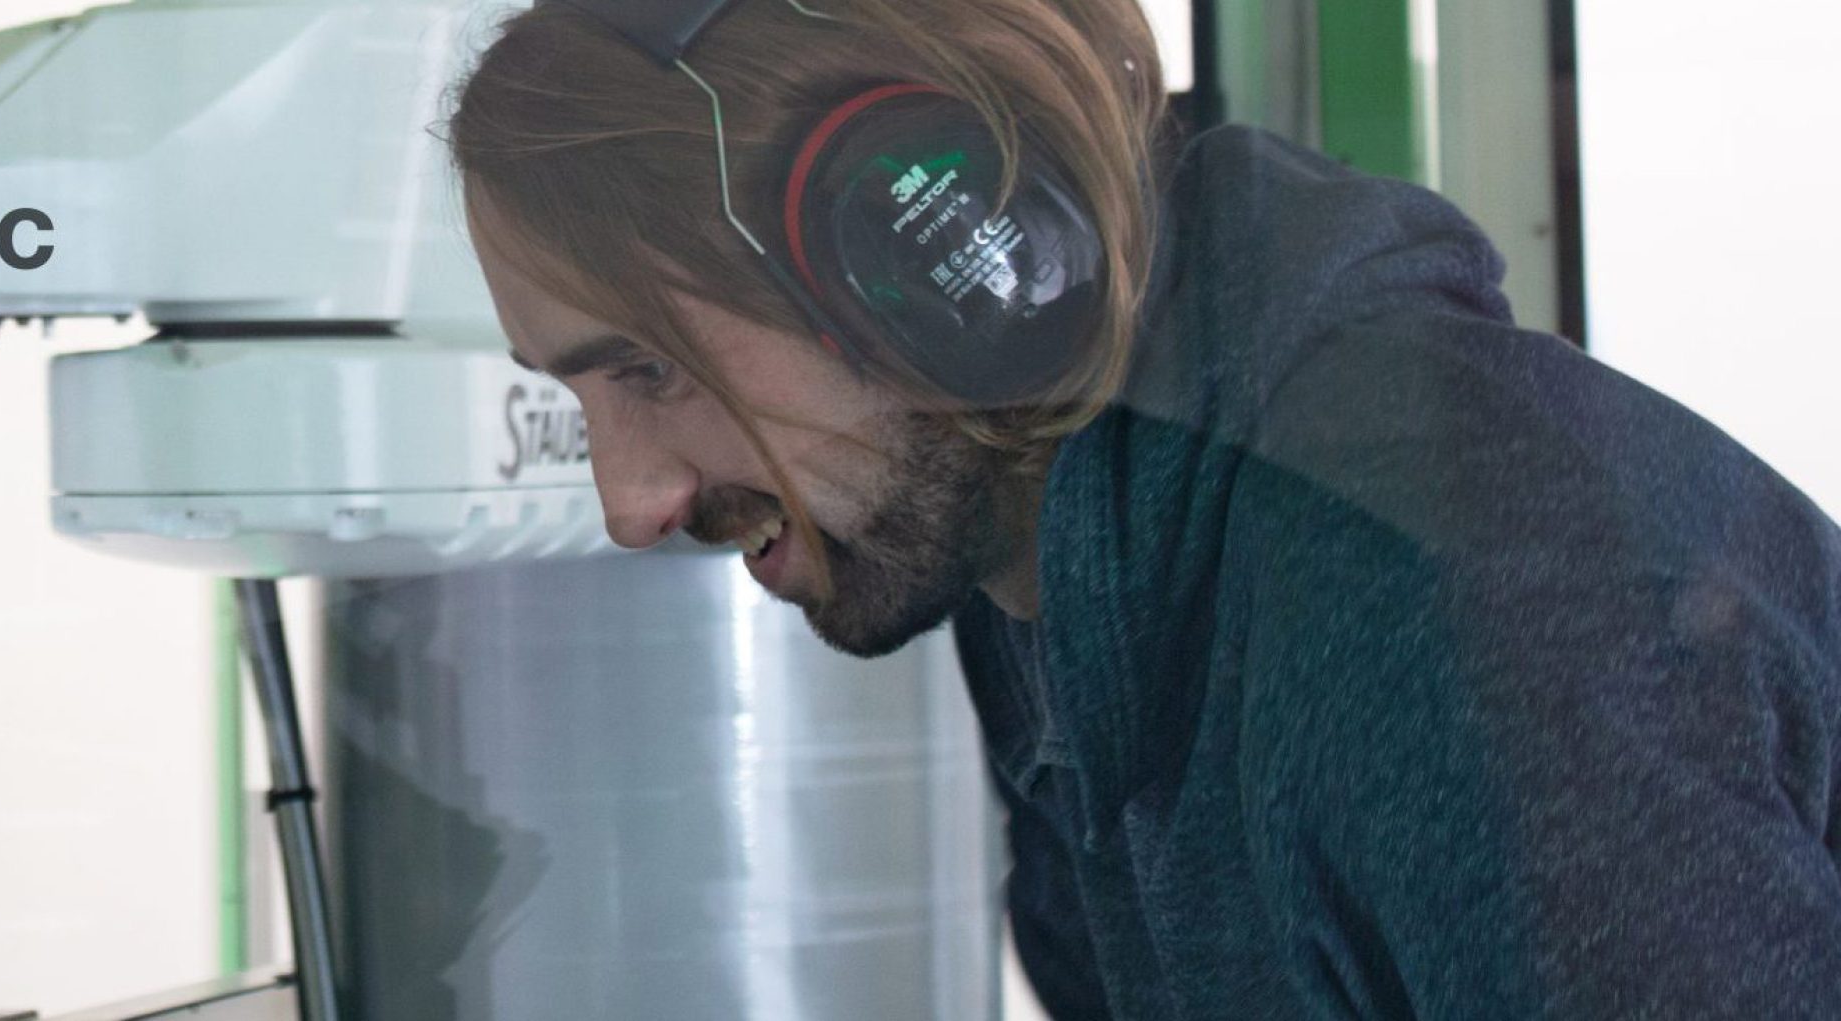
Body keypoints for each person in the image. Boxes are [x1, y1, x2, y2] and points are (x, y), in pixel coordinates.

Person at [447, 0, 1841, 1016]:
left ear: (932, 258)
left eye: (646, 369)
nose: (630, 499)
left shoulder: (1437, 595)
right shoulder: (1050, 567)